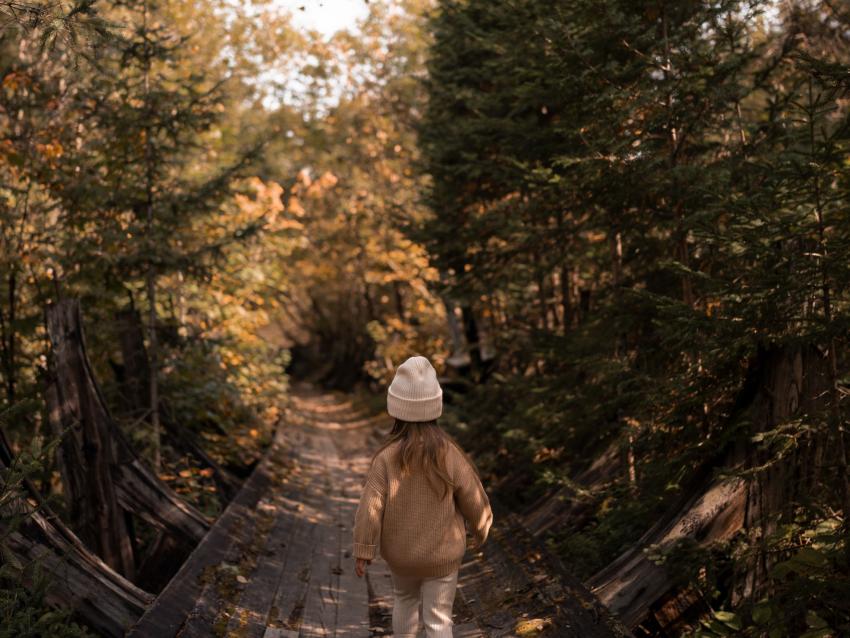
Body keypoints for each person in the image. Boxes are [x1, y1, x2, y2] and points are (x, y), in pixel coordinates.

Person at [352, 355, 493, 638]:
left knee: (404, 603)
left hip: (402, 556)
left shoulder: (386, 459)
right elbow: (473, 495)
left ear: (396, 409)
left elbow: (370, 507)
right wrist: (481, 529)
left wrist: (363, 549)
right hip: (442, 555)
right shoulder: (449, 454)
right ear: (436, 407)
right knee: (439, 619)